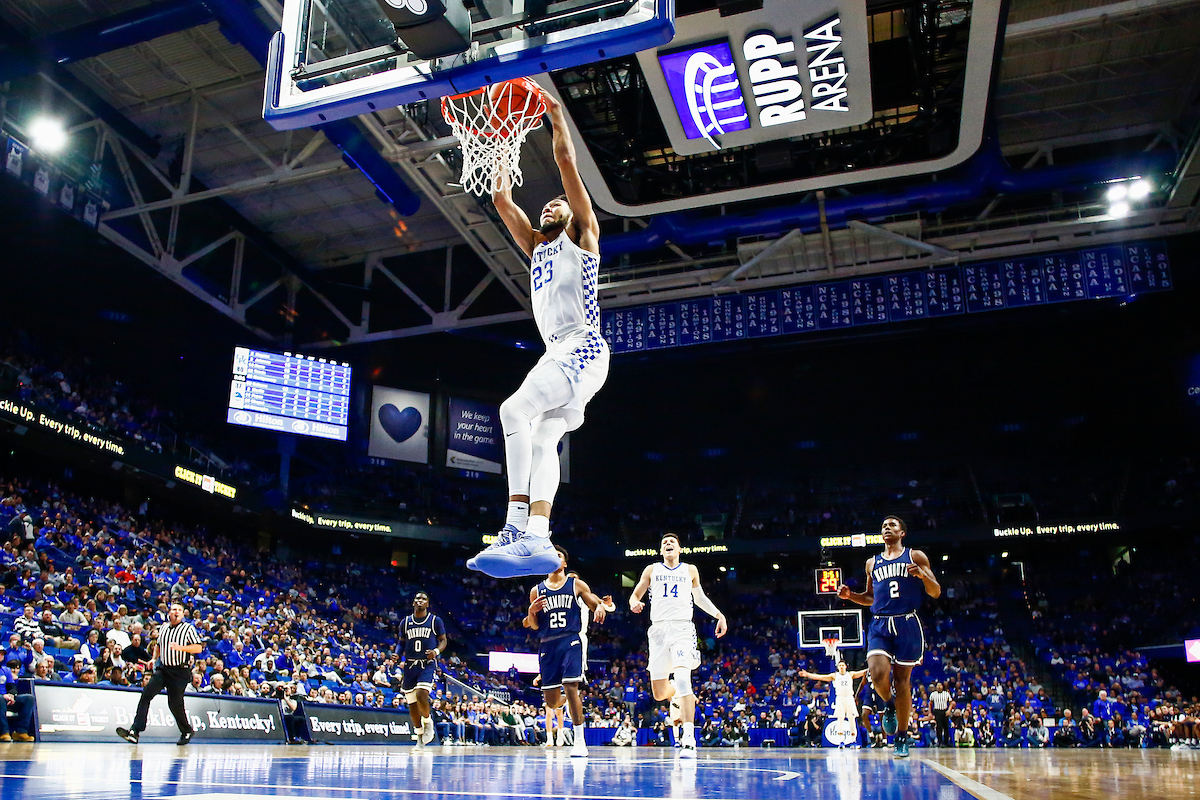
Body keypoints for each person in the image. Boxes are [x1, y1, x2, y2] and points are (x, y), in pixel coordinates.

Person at [467, 91, 609, 580]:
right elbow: (501, 200)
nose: (550, 205)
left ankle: (513, 525)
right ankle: (539, 537)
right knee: (546, 438)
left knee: (513, 411)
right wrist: (501, 145)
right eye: (546, 204)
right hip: (563, 354)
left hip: (582, 345)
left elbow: (566, 161)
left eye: (557, 203)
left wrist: (554, 113)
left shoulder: (583, 235)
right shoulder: (535, 246)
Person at [837, 516, 940, 758]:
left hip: (907, 622)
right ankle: (890, 704)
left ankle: (902, 737)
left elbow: (935, 591)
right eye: (884, 525)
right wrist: (851, 596)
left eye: (892, 525)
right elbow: (871, 598)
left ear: (902, 533)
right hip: (880, 624)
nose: (887, 528)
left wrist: (922, 575)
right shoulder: (872, 563)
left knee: (903, 681)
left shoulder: (915, 556)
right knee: (877, 673)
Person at [628, 532, 728, 758]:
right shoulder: (652, 570)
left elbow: (699, 598)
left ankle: (689, 739)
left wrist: (719, 615)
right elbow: (635, 596)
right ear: (661, 550)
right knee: (659, 693)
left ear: (680, 549)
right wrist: (634, 603)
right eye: (664, 542)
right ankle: (678, 693)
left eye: (672, 541)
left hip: (682, 629)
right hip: (658, 631)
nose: (668, 543)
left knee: (683, 679)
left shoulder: (690, 570)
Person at [523, 545, 606, 757]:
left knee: (570, 686)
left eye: (558, 555)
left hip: (570, 640)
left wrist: (599, 606)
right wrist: (531, 611)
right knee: (551, 701)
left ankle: (579, 741)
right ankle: (570, 701)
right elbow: (534, 625)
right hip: (547, 644)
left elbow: (592, 602)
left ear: (565, 563)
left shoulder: (576, 584)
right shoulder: (536, 590)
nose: (554, 558)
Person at [115, 602, 204, 746]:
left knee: (174, 704)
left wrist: (181, 648)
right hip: (164, 669)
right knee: (146, 694)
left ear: (183, 614)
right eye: (173, 609)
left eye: (179, 610)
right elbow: (158, 645)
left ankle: (187, 730)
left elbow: (198, 648)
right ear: (169, 612)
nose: (176, 612)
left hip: (180, 671)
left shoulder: (188, 628)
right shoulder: (163, 627)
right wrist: (154, 658)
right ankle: (135, 731)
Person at [399, 592, 447, 751]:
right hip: (410, 665)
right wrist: (396, 654)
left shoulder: (434, 621)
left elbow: (443, 640)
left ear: (428, 604)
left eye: (424, 599)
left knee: (421, 694)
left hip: (427, 664)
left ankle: (428, 721)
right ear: (413, 602)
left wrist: (436, 651)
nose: (420, 601)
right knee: (412, 704)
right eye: (417, 598)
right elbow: (401, 642)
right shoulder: (405, 622)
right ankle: (419, 737)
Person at [799, 661, 868, 748]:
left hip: (849, 698)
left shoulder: (850, 674)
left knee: (852, 719)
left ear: (846, 666)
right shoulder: (834, 676)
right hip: (840, 698)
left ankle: (853, 741)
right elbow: (820, 677)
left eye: (843, 665)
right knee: (840, 720)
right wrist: (807, 674)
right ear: (838, 667)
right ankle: (841, 741)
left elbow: (863, 672)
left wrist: (872, 668)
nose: (841, 667)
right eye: (840, 665)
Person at [929, 681, 952, 747]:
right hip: (937, 711)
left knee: (946, 727)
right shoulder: (933, 694)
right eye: (938, 686)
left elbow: (951, 703)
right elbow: (930, 704)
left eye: (940, 685)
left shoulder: (946, 693)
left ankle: (946, 742)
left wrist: (949, 710)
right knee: (939, 727)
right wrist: (930, 713)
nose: (939, 687)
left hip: (944, 711)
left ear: (942, 686)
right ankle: (939, 742)